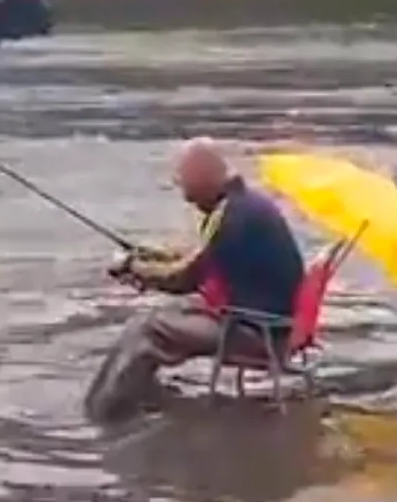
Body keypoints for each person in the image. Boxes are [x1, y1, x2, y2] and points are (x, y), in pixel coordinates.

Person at [83, 137, 305, 422]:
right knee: (169, 314)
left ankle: (106, 412)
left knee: (147, 329)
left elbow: (184, 277)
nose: (182, 191)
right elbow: (196, 256)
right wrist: (144, 255)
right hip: (262, 320)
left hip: (259, 333)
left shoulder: (234, 218)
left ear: (202, 178)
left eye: (183, 182)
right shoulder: (241, 205)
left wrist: (133, 268)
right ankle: (135, 393)